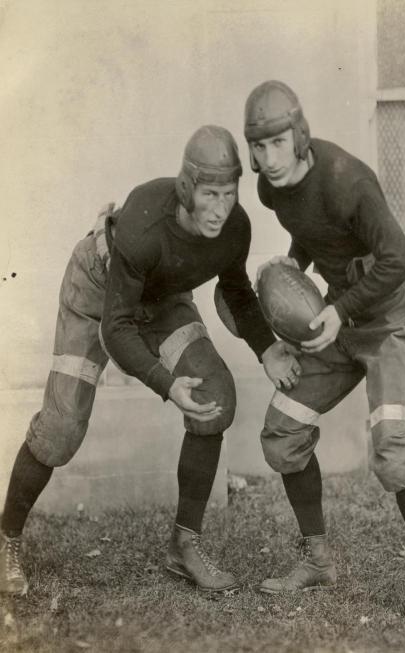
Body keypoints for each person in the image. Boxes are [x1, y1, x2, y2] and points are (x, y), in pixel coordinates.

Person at [0, 125, 301, 595]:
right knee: (60, 431)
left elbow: (237, 291)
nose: (221, 208)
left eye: (229, 193)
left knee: (214, 396)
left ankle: (183, 547)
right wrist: (165, 383)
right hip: (100, 290)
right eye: (209, 193)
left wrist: (267, 349)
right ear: (186, 189)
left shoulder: (234, 228)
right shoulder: (144, 220)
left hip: (162, 295)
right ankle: (7, 538)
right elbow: (115, 327)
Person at [244, 80, 405, 618]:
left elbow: (399, 257)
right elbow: (312, 230)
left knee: (392, 442)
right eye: (259, 148)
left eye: (279, 143)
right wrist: (294, 266)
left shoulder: (345, 180)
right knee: (283, 428)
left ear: (301, 135)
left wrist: (341, 310)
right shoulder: (271, 188)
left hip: (393, 316)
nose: (270, 158)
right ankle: (317, 558)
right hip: (343, 314)